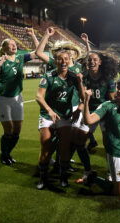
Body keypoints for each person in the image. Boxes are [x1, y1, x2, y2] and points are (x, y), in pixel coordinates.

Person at [35, 50, 84, 189]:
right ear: (55, 61)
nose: (63, 62)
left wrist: (78, 110)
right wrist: (49, 110)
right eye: (60, 59)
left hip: (65, 116)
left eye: (66, 59)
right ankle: (42, 178)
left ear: (70, 60)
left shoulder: (74, 77)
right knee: (46, 146)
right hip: (47, 116)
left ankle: (63, 177)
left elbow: (83, 98)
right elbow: (39, 96)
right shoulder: (48, 76)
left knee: (64, 147)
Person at [72, 50, 119, 183]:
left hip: (104, 112)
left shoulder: (107, 78)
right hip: (90, 112)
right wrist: (80, 82)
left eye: (94, 60)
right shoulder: (85, 76)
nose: (91, 62)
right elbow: (82, 98)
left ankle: (111, 172)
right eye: (89, 60)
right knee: (79, 142)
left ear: (100, 62)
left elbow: (112, 98)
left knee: (108, 144)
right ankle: (87, 171)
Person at [0, 38, 36, 165]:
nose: (13, 45)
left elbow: (37, 52)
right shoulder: (1, 61)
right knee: (8, 130)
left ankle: (7, 154)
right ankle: (4, 156)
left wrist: (33, 36)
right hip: (3, 98)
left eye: (14, 44)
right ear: (4, 48)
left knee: (17, 131)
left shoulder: (21, 58)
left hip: (17, 98)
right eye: (10, 44)